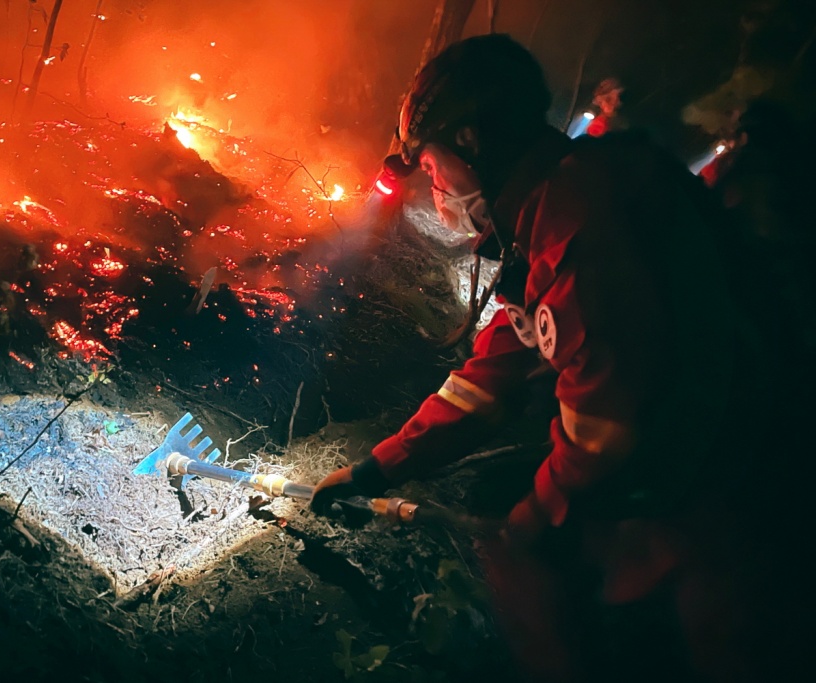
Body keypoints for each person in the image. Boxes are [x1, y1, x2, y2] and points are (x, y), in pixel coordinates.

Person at [312, 35, 795, 681]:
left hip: (732, 492)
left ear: (472, 142)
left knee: (554, 572)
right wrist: (384, 464)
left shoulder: (583, 224)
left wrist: (536, 522)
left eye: (430, 166)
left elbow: (607, 431)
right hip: (711, 460)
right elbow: (501, 360)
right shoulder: (556, 204)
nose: (431, 187)